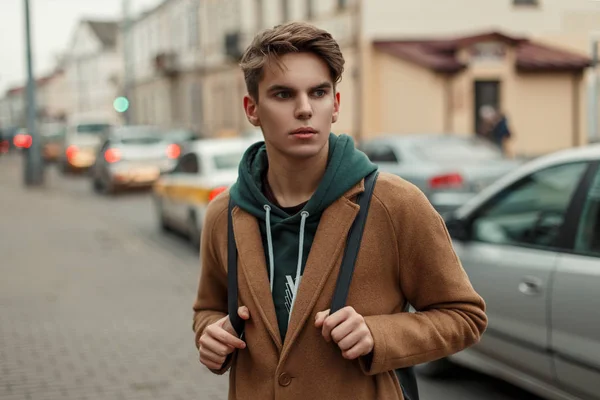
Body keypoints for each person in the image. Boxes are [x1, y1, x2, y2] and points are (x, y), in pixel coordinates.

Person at [192, 21, 487, 399]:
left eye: (318, 92)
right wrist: (210, 333)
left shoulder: (394, 204)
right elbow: (207, 309)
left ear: (335, 104)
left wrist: (378, 334)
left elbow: (465, 316)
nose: (303, 109)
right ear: (252, 109)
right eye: (283, 95)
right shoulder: (225, 213)